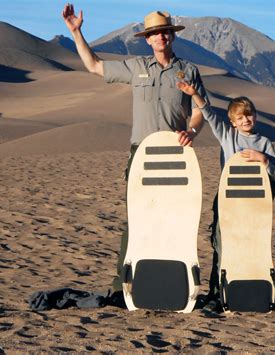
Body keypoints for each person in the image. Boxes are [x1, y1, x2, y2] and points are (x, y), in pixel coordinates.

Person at [62, 4, 209, 304]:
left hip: (174, 155)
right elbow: (94, 66)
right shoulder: (136, 67)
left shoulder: (188, 71)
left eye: (165, 33)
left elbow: (200, 111)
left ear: (172, 36)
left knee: (173, 219)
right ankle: (124, 286)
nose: (161, 38)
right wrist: (77, 32)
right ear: (148, 39)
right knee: (137, 220)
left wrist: (191, 132)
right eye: (155, 34)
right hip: (140, 153)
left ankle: (172, 284)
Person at [177, 82, 275, 312]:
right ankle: (216, 294)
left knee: (252, 246)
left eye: (249, 115)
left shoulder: (264, 143)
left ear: (255, 117)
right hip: (227, 202)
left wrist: (263, 159)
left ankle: (250, 291)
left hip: (254, 205)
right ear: (233, 122)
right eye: (240, 117)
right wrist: (195, 94)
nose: (246, 120)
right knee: (222, 246)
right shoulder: (227, 135)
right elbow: (209, 114)